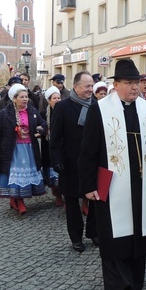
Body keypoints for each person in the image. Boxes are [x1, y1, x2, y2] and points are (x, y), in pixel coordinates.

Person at [78, 59, 146, 290]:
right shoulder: (100, 109)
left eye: (137, 82)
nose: (135, 87)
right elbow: (88, 150)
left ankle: (135, 281)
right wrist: (88, 184)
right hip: (113, 186)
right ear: (116, 84)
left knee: (138, 232)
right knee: (114, 237)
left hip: (142, 183)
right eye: (129, 83)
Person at [50, 71, 97, 251]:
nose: (90, 89)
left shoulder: (97, 105)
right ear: (76, 87)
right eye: (87, 86)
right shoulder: (63, 107)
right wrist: (57, 160)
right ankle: (76, 237)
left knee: (95, 200)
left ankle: (94, 232)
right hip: (70, 162)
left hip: (92, 162)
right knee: (72, 202)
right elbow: (55, 137)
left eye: (92, 86)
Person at [0, 83, 46, 215]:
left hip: (29, 149)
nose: (25, 99)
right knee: (14, 175)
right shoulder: (5, 114)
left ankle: (17, 199)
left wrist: (40, 130)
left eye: (26, 96)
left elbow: (43, 124)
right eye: (22, 97)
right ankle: (18, 200)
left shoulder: (32, 111)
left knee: (26, 175)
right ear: (14, 99)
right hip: (13, 150)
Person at [41, 85, 62, 206]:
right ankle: (56, 193)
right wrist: (43, 130)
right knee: (51, 169)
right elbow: (40, 124)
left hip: (61, 144)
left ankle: (62, 193)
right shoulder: (44, 113)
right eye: (55, 98)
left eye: (59, 98)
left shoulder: (64, 110)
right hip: (48, 144)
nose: (57, 100)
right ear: (49, 100)